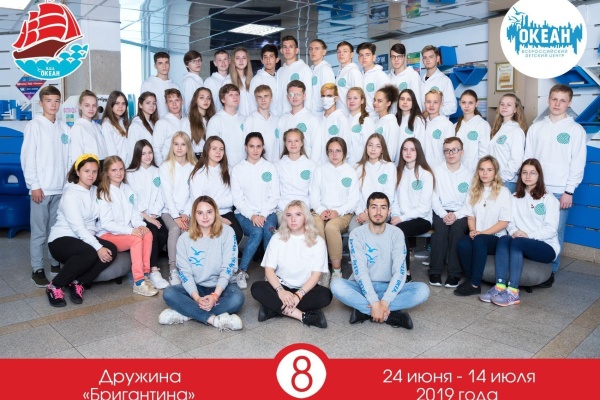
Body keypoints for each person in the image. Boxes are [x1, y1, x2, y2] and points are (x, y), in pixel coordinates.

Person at [331, 192, 430, 328]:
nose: (378, 212)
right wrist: (374, 301)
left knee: (423, 291)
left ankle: (365, 311)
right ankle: (389, 315)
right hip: (362, 286)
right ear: (367, 211)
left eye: (383, 207)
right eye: (374, 207)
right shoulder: (356, 234)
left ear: (389, 212)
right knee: (336, 285)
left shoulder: (397, 233)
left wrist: (384, 302)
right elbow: (360, 272)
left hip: (389, 286)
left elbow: (400, 272)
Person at [524, 84, 587, 284]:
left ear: (569, 103)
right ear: (548, 100)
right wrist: (527, 186)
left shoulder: (575, 130)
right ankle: (531, 267)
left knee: (555, 231)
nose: (557, 104)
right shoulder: (536, 127)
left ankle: (550, 271)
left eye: (562, 100)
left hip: (560, 191)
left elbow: (578, 162)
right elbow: (528, 159)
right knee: (533, 226)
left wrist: (569, 191)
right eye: (554, 99)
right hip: (536, 189)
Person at [159, 195, 244, 331]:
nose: (205, 217)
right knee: (169, 293)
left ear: (215, 213)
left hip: (222, 287)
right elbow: (185, 273)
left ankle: (187, 314)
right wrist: (197, 298)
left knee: (237, 299)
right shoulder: (184, 239)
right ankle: (213, 320)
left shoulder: (228, 232)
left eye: (209, 212)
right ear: (194, 215)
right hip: (196, 287)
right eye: (200, 213)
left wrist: (215, 296)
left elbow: (228, 267)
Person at [481, 159, 559, 306]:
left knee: (517, 243)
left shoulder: (549, 199)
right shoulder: (514, 197)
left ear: (539, 175)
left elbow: (551, 229)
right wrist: (515, 231)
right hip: (520, 241)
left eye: (532, 173)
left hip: (545, 246)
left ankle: (513, 292)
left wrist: (528, 236)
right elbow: (509, 222)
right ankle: (499, 286)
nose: (528, 176)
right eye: (524, 172)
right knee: (504, 239)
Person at [46, 154, 118, 306]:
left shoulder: (95, 191)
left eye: (94, 171)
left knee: (111, 248)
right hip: (62, 239)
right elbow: (78, 228)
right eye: (86, 171)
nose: (91, 175)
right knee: (91, 252)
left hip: (83, 239)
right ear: (78, 172)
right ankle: (55, 286)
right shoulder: (70, 194)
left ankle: (78, 282)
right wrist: (98, 247)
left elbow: (99, 219)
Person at [251, 200, 332, 328]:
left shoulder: (318, 241)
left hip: (305, 290)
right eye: (289, 215)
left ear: (305, 217)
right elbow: (269, 270)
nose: (293, 219)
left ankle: (273, 309)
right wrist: (281, 292)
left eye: (298, 215)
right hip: (281, 286)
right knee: (256, 288)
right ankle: (302, 315)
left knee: (325, 296)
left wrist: (298, 296)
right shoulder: (276, 238)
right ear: (285, 218)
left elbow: (316, 275)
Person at [21, 85, 70, 287]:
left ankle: (55, 262)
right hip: (41, 189)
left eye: (56, 101)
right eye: (49, 101)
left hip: (61, 188)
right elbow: (28, 157)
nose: (53, 104)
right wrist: (34, 185)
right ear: (41, 103)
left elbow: (68, 159)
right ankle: (37, 268)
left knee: (56, 230)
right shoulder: (34, 125)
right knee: (39, 231)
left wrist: (68, 185)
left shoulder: (64, 127)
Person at [96, 156, 158, 297]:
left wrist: (140, 225)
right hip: (107, 234)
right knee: (136, 239)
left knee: (147, 233)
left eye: (121, 169)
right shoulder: (104, 192)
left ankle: (145, 274)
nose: (119, 173)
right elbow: (106, 223)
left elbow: (135, 213)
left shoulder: (128, 189)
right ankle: (138, 282)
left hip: (125, 231)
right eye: (114, 170)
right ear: (107, 173)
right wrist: (131, 230)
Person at [454, 155, 512, 296]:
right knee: (462, 243)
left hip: (496, 238)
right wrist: (473, 230)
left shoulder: (504, 192)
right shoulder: (474, 190)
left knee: (479, 240)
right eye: (482, 169)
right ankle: (470, 279)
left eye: (489, 170)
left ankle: (475, 284)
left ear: (495, 172)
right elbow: (471, 216)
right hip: (479, 235)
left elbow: (504, 221)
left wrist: (482, 233)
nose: (485, 173)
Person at [231, 132, 280, 289]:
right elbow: (238, 199)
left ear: (263, 147)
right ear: (246, 147)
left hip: (268, 213)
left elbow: (274, 195)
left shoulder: (270, 167)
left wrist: (262, 215)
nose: (255, 150)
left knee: (268, 230)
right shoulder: (238, 169)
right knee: (257, 232)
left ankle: (270, 273)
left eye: (258, 146)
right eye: (251, 146)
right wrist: (252, 216)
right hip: (245, 214)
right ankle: (242, 271)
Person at [310, 137, 359, 282]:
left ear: (344, 153)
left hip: (342, 213)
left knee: (331, 227)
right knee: (317, 226)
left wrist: (338, 211)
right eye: (330, 151)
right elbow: (313, 196)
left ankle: (336, 270)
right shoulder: (320, 170)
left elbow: (353, 200)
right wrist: (321, 210)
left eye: (338, 151)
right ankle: (322, 268)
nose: (334, 154)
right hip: (321, 211)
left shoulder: (350, 172)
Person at [127, 139, 170, 289]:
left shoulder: (157, 171)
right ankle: (153, 270)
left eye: (150, 152)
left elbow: (161, 194)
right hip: (139, 216)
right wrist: (146, 216)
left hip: (154, 213)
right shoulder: (130, 174)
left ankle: (152, 265)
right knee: (153, 232)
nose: (147, 156)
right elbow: (132, 198)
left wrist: (154, 213)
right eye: (143, 153)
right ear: (137, 155)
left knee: (163, 232)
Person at [429, 137, 472, 288]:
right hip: (440, 211)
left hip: (461, 212)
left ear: (462, 152)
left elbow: (470, 201)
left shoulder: (469, 174)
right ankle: (435, 271)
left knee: (457, 231)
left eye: (455, 150)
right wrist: (443, 214)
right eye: (447, 150)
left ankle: (454, 273)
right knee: (440, 231)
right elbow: (433, 197)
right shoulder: (436, 171)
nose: (451, 153)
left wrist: (456, 215)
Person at [390, 138, 434, 280]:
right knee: (385, 229)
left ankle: (405, 272)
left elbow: (424, 207)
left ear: (418, 152)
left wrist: (401, 218)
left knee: (399, 231)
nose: (408, 152)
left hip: (421, 219)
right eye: (405, 149)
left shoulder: (426, 174)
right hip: (401, 218)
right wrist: (395, 215)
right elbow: (394, 200)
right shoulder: (398, 172)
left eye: (412, 149)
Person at [189, 136, 243, 244]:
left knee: (237, 233)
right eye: (214, 149)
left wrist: (212, 202)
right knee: (212, 236)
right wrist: (218, 218)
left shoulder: (229, 170)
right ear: (207, 150)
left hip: (225, 212)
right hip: (204, 213)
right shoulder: (198, 173)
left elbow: (233, 198)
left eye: (221, 149)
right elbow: (198, 201)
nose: (218, 152)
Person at [160, 132, 196, 285]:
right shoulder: (165, 166)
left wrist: (186, 213)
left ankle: (185, 269)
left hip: (186, 211)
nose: (179, 148)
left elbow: (193, 193)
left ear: (188, 147)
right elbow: (167, 194)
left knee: (187, 230)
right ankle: (173, 269)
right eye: (176, 144)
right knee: (175, 229)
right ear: (172, 146)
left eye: (183, 144)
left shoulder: (193, 167)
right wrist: (176, 216)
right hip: (168, 211)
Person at [350, 133, 396, 232]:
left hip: (381, 211)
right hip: (361, 211)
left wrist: (370, 212)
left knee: (368, 228)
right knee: (353, 229)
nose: (373, 149)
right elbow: (355, 195)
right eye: (370, 145)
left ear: (382, 149)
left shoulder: (389, 166)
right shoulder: (358, 167)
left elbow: (389, 195)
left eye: (377, 146)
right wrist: (360, 212)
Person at [489, 93, 527, 193]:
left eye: (509, 105)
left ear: (515, 109)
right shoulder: (499, 129)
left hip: (507, 182)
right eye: (502, 104)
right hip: (495, 179)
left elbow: (516, 160)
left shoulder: (516, 131)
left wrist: (502, 179)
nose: (504, 107)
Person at [276, 80, 320, 161]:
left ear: (304, 96)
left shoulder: (312, 119)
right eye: (291, 94)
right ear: (287, 97)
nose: (295, 97)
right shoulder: (282, 120)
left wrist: (312, 166)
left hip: (306, 165)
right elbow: (280, 147)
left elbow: (316, 147)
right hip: (286, 165)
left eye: (298, 94)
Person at [276, 128, 317, 214]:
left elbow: (313, 193)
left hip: (305, 210)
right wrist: (287, 211)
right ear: (285, 143)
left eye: (296, 141)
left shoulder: (311, 165)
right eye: (289, 141)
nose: (293, 144)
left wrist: (303, 210)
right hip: (284, 210)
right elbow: (275, 193)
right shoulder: (277, 166)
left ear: (302, 143)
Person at [206, 84, 246, 167]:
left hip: (243, 166)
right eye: (230, 95)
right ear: (223, 99)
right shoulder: (215, 120)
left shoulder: (245, 119)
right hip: (223, 167)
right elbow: (210, 147)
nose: (235, 97)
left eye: (237, 94)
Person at [69, 90, 108, 168]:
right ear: (80, 106)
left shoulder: (98, 127)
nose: (91, 109)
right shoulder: (78, 128)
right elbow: (77, 157)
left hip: (103, 168)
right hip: (89, 169)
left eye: (94, 105)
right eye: (87, 105)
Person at [454, 90, 490, 172]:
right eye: (464, 102)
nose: (466, 106)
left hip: (474, 171)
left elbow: (484, 152)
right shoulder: (455, 126)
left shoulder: (483, 125)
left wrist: (480, 171)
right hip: (457, 171)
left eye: (470, 103)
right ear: (459, 103)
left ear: (476, 104)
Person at [276, 35, 313, 115]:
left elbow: (308, 95)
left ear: (296, 50)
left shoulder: (304, 68)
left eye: (291, 46)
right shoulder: (280, 72)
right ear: (281, 50)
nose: (287, 49)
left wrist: (306, 115)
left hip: (299, 115)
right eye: (285, 47)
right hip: (282, 116)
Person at [153, 88, 191, 165]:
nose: (174, 104)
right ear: (166, 104)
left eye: (177, 100)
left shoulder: (187, 121)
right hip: (168, 166)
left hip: (185, 166)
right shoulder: (162, 123)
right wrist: (162, 168)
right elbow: (156, 148)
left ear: (182, 101)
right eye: (170, 101)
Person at [315, 83, 350, 164]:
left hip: (335, 165)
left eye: (329, 96)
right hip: (319, 165)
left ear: (336, 98)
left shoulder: (341, 119)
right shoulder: (318, 119)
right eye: (323, 96)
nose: (325, 99)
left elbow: (345, 146)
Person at [243, 85, 280, 162]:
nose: (263, 100)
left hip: (275, 163)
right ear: (256, 100)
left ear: (271, 98)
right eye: (259, 97)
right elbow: (246, 144)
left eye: (266, 96)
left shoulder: (277, 120)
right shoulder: (250, 120)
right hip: (257, 164)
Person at [140, 52, 180, 118]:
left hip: (171, 122)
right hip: (153, 122)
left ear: (169, 64)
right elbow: (143, 108)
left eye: (166, 63)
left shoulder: (175, 86)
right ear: (155, 66)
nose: (164, 66)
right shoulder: (147, 84)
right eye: (160, 63)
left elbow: (179, 109)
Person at [419, 45, 456, 116]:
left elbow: (452, 107)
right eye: (425, 58)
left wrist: (430, 113)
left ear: (437, 59)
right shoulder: (420, 81)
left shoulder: (445, 80)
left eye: (431, 57)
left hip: (438, 121)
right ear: (423, 60)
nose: (427, 60)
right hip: (421, 121)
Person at [422, 89, 454, 168]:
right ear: (424, 103)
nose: (431, 105)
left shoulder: (447, 124)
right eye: (428, 102)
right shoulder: (421, 123)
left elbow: (450, 150)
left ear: (441, 104)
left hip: (440, 168)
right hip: (422, 168)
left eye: (435, 102)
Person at [357, 42, 390, 118]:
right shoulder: (358, 76)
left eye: (367, 55)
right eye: (361, 55)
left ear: (374, 57)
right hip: (361, 118)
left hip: (375, 119)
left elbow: (387, 102)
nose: (364, 58)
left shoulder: (381, 76)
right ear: (358, 58)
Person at [346, 87, 376, 165]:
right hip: (345, 166)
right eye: (349, 98)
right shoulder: (344, 120)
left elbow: (369, 146)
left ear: (362, 101)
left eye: (355, 98)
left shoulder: (366, 121)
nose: (351, 101)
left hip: (360, 166)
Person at [373, 85, 402, 163]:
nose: (375, 103)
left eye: (379, 101)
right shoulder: (375, 120)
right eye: (374, 100)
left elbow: (391, 152)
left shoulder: (391, 123)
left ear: (388, 103)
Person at [127, 92, 158, 163]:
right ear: (140, 105)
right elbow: (132, 150)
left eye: (154, 103)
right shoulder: (135, 125)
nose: (152, 106)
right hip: (141, 165)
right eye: (148, 103)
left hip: (152, 164)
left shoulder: (154, 123)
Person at [395, 88, 426, 159]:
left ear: (413, 102)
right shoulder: (395, 119)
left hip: (411, 160)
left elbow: (420, 144)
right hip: (396, 160)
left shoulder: (418, 120)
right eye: (402, 99)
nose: (405, 102)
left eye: (408, 100)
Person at [249, 44, 279, 115]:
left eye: (271, 56)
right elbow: (252, 104)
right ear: (262, 61)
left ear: (277, 59)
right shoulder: (257, 79)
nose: (268, 60)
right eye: (265, 57)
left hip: (279, 118)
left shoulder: (279, 77)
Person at [101, 90, 130, 163]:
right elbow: (111, 152)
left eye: (123, 103)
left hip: (128, 165)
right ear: (111, 105)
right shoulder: (107, 124)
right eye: (117, 103)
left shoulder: (123, 122)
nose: (120, 107)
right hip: (117, 165)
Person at [335, 41, 363, 114]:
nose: (341, 54)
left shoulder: (353, 71)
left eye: (345, 51)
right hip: (341, 114)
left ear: (351, 54)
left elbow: (358, 95)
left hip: (349, 115)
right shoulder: (340, 72)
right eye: (339, 52)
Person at [188, 87, 216, 158]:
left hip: (210, 157)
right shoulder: (187, 121)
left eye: (208, 98)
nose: (206, 101)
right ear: (195, 100)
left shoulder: (213, 119)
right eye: (202, 97)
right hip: (194, 158)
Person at [225, 47, 253, 117]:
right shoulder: (228, 81)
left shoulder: (252, 80)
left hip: (251, 119)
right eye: (237, 58)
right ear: (233, 61)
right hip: (236, 119)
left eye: (244, 58)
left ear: (247, 60)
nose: (241, 61)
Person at [309, 39, 335, 113]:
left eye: (316, 49)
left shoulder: (325, 69)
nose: (313, 52)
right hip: (311, 113)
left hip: (321, 113)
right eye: (311, 49)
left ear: (324, 52)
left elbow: (330, 94)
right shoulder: (310, 69)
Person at [181, 50, 203, 116]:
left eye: (199, 60)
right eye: (193, 61)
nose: (197, 63)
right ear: (187, 65)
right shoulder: (189, 81)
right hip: (194, 118)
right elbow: (189, 105)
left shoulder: (197, 79)